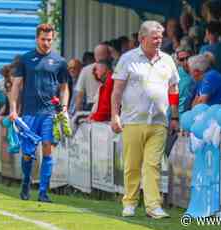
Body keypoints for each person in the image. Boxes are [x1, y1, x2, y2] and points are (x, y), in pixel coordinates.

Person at [111, 20, 180, 219]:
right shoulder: (128, 59)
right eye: (154, 37)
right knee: (132, 164)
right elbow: (117, 91)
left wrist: (174, 115)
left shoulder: (168, 60)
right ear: (142, 38)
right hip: (132, 120)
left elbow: (173, 89)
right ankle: (130, 202)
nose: (159, 41)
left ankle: (153, 206)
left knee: (153, 165)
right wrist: (115, 115)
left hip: (159, 121)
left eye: (160, 37)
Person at [10, 23, 69, 203]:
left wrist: (64, 108)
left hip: (49, 113)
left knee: (47, 149)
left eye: (49, 40)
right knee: (28, 154)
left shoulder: (60, 61)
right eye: (43, 39)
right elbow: (16, 86)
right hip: (29, 113)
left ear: (53, 39)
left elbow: (64, 87)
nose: (46, 43)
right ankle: (26, 182)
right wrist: (13, 110)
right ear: (37, 38)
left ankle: (43, 192)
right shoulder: (25, 59)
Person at [75, 43, 110, 112]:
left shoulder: (85, 70)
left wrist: (78, 113)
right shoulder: (115, 69)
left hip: (91, 106)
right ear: (108, 55)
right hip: (108, 106)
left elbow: (79, 95)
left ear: (95, 56)